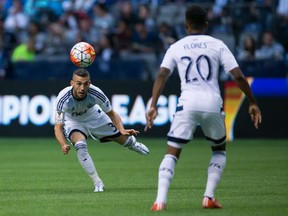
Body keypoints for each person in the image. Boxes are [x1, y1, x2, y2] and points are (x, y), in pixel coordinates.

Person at [145, 5, 262, 211]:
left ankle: (159, 201)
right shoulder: (217, 45)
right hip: (212, 103)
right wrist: (252, 102)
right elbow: (238, 76)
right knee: (218, 150)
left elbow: (162, 74)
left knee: (172, 152)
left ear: (186, 25)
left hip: (187, 103)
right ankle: (208, 197)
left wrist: (153, 105)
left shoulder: (177, 47)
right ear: (206, 25)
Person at [54, 68, 149, 192]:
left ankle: (133, 144)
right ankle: (97, 182)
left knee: (124, 140)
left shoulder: (96, 93)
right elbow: (58, 126)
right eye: (79, 83)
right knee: (80, 145)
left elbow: (112, 113)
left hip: (94, 117)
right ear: (72, 83)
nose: (82, 88)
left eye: (85, 84)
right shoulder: (63, 99)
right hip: (73, 122)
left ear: (90, 83)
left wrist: (122, 129)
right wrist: (63, 144)